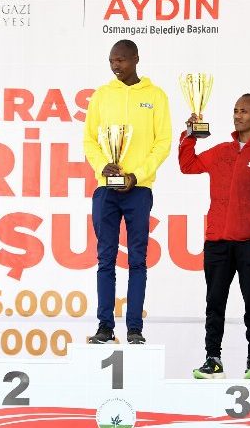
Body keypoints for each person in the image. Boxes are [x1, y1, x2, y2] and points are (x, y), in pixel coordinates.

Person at [178, 93, 250, 379]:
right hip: (217, 242)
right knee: (214, 303)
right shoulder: (221, 151)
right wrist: (190, 135)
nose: (238, 116)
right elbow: (188, 166)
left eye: (244, 111)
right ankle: (213, 360)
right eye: (235, 110)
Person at [83, 39, 172, 344]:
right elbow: (89, 140)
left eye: (120, 60)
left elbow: (163, 143)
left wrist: (137, 175)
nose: (115, 66)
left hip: (139, 189)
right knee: (105, 259)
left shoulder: (155, 96)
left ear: (135, 59)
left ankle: (134, 328)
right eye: (111, 61)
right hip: (106, 190)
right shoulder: (101, 95)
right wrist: (102, 166)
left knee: (137, 260)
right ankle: (105, 326)